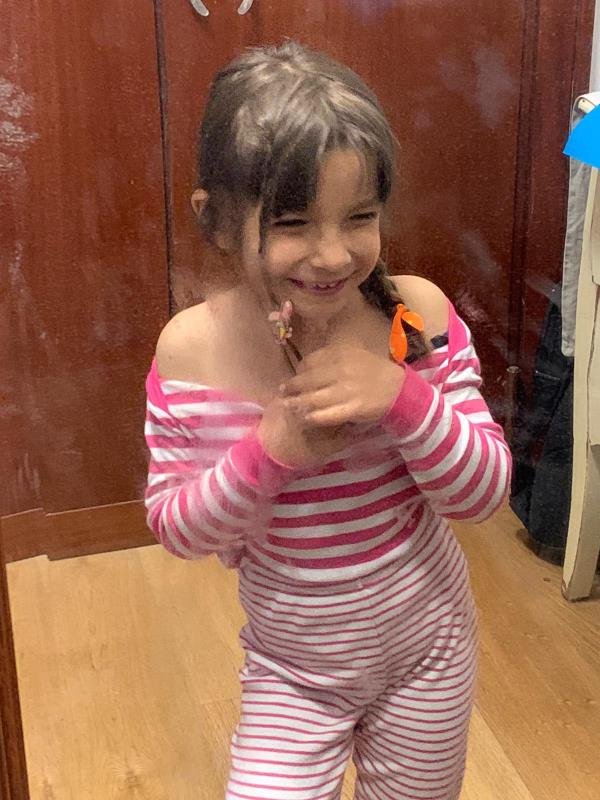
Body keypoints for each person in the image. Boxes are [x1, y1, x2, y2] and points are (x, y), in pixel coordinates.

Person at [144, 40, 511, 800]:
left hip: (430, 652)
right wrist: (269, 451)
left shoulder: (416, 316)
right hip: (292, 671)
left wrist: (404, 399)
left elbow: (483, 495)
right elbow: (179, 530)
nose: (334, 254)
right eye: (293, 222)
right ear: (219, 221)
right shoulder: (192, 351)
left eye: (359, 217)